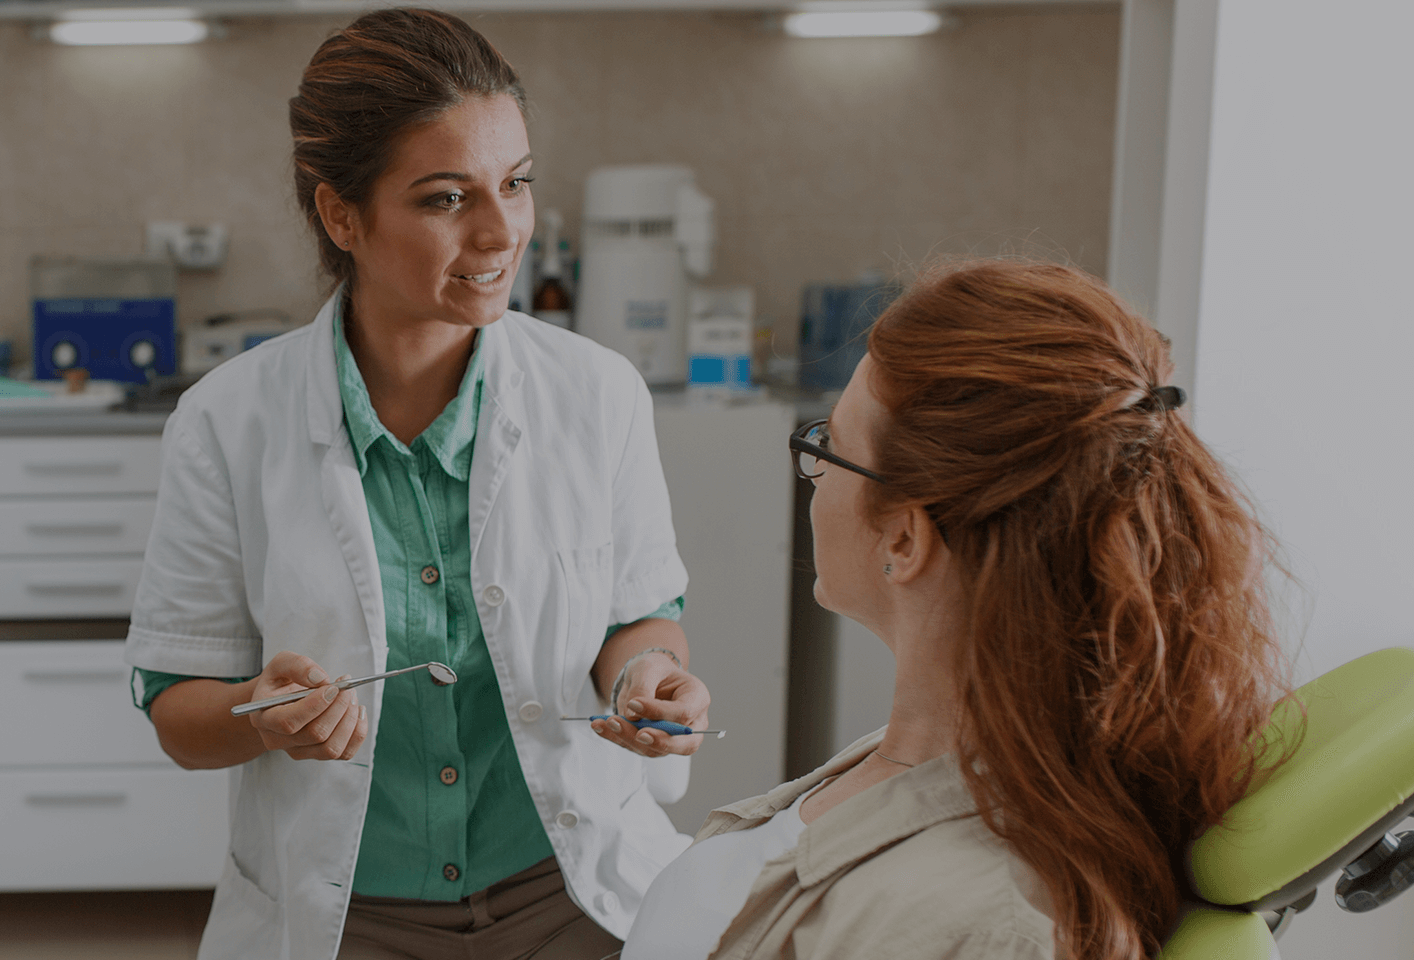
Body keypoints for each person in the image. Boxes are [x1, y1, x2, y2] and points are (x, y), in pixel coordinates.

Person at [122, 9, 715, 959]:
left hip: (572, 896)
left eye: (516, 185)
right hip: (345, 917)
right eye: (445, 199)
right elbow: (180, 710)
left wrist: (646, 676)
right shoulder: (227, 421)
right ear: (341, 215)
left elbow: (638, 618)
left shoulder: (596, 393)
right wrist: (264, 718)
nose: (499, 232)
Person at [621, 259, 1291, 960]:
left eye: (831, 448)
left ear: (905, 538)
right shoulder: (931, 753)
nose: (816, 471)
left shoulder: (985, 928)